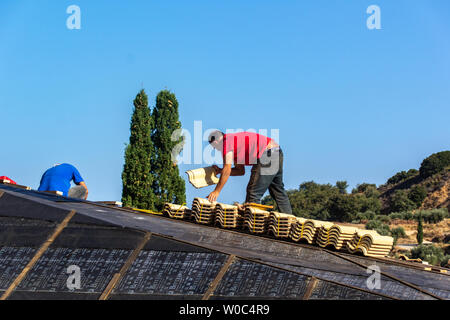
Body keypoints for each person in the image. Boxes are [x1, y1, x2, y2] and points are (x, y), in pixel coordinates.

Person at [207, 130, 292, 214]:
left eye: (214, 147)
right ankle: (289, 220)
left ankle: (254, 224)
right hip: (276, 152)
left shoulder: (227, 142)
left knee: (253, 193)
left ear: (216, 141)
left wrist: (216, 191)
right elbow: (240, 171)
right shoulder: (234, 142)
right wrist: (220, 171)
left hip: (266, 154)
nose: (216, 149)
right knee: (277, 190)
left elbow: (227, 169)